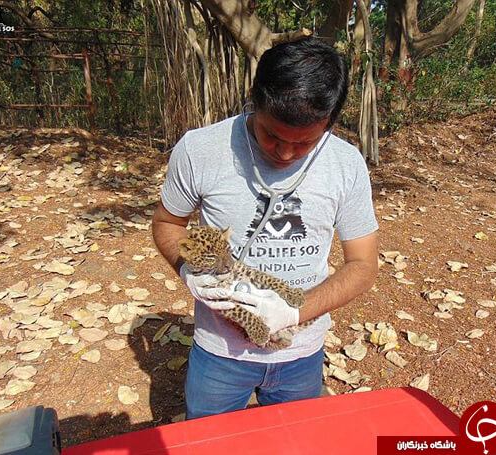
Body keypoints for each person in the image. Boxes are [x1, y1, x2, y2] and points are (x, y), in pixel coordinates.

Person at [152, 37, 379, 420]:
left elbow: (362, 265)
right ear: (254, 101)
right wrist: (187, 268)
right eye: (272, 135)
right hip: (219, 354)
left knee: (294, 443)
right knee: (210, 445)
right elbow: (167, 223)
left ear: (329, 123)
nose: (285, 153)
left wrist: (294, 312)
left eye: (305, 142)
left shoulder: (347, 164)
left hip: (302, 354)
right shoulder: (200, 149)